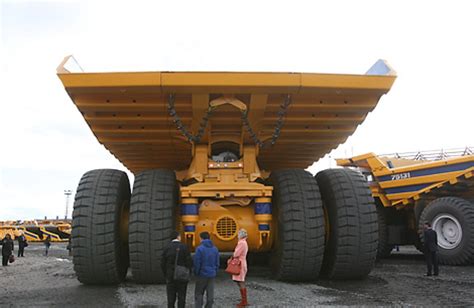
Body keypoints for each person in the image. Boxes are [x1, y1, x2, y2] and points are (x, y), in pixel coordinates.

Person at [161, 231, 192, 308]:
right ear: (178, 237)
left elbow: (162, 263)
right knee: (181, 296)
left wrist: (166, 273)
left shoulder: (166, 247)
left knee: (171, 298)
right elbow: (189, 262)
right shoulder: (184, 247)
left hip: (170, 275)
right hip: (182, 275)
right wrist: (188, 272)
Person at [194, 231, 220, 308]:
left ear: (201, 238)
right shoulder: (215, 249)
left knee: (199, 293)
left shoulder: (199, 249)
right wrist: (215, 271)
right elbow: (217, 262)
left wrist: (196, 272)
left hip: (202, 274)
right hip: (211, 274)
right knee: (210, 294)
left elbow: (197, 262)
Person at [232, 229, 249, 307]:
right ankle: (243, 299)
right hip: (243, 262)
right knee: (240, 281)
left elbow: (236, 254)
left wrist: (233, 254)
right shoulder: (244, 242)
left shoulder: (241, 243)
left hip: (240, 264)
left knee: (241, 281)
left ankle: (244, 301)